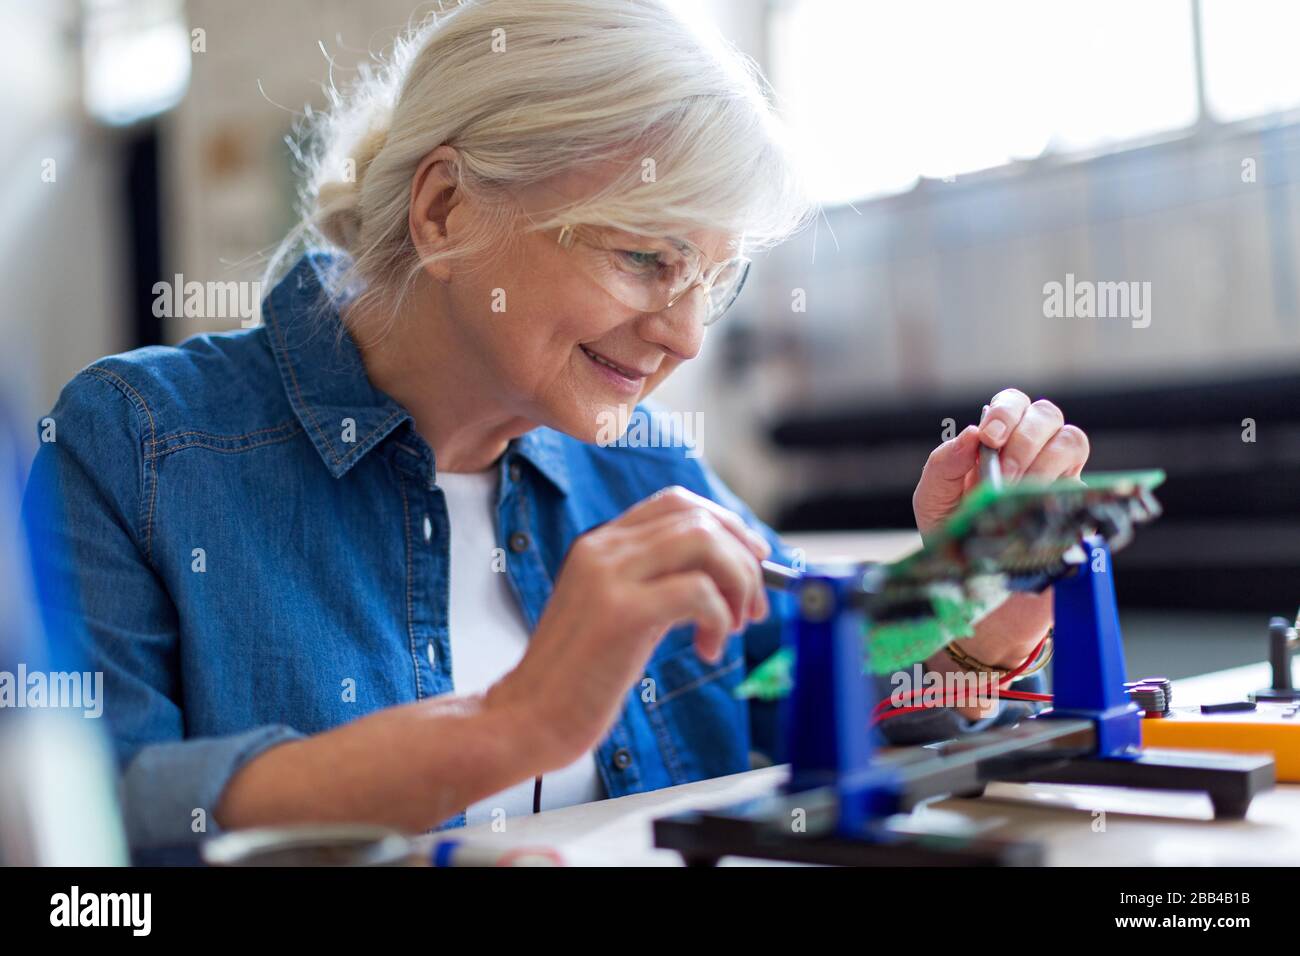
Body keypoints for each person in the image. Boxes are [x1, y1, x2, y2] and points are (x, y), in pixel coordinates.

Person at [24, 0, 1086, 849]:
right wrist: (511, 725)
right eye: (642, 257)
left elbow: (801, 696)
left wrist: (969, 608)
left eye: (709, 280)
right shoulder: (141, 443)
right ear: (445, 210)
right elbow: (87, 826)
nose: (679, 335)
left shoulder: (640, 464)